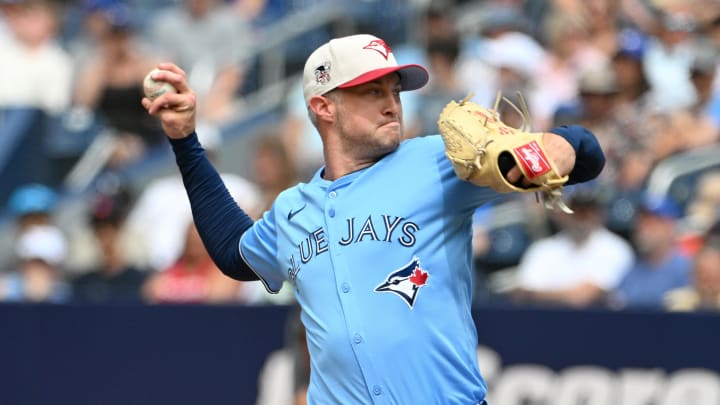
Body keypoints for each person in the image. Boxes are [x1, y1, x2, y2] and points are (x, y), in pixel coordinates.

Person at [142, 33, 605, 404]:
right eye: (371, 91)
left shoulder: (436, 162)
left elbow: (584, 149)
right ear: (323, 107)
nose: (392, 103)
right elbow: (232, 251)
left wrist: (542, 154)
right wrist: (185, 140)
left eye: (394, 90)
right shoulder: (292, 209)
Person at [512, 187, 634, 308]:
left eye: (588, 210)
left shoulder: (616, 248)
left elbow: (583, 298)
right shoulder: (542, 249)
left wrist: (537, 295)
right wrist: (568, 294)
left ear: (600, 214)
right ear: (562, 213)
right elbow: (521, 294)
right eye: (575, 209)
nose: (582, 217)